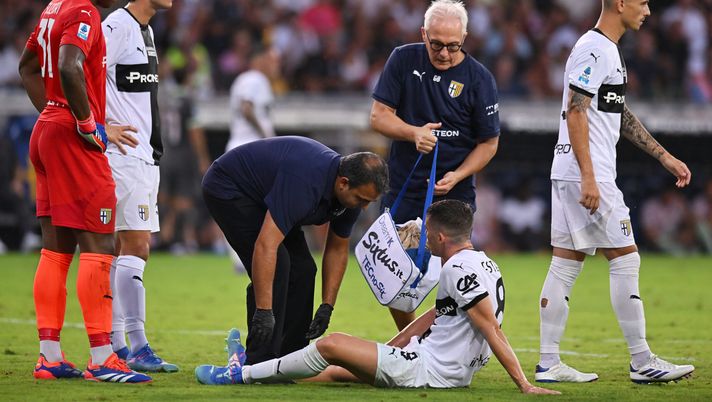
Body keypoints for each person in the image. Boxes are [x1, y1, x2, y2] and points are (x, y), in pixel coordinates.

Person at [193, 200, 559, 396]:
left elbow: (492, 330)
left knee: (332, 344)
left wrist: (524, 385)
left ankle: (237, 376)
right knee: (337, 371)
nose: (424, 238)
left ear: (442, 237)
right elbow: (435, 314)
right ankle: (257, 369)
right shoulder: (483, 263)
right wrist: (393, 347)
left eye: (428, 232)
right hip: (434, 364)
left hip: (431, 371)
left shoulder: (456, 269)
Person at [537, 0, 695, 384]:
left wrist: (664, 156)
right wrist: (590, 177)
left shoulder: (608, 50)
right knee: (626, 259)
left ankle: (548, 363)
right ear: (620, 3)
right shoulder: (594, 48)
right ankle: (642, 361)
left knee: (566, 263)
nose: (648, 10)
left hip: (575, 171)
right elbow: (576, 111)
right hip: (588, 174)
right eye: (642, 2)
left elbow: (615, 111)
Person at [19, 0, 150, 383]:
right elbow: (68, 65)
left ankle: (49, 356)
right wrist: (86, 123)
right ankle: (101, 357)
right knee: (99, 245)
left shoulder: (53, 8)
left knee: (55, 249)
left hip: (46, 130)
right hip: (72, 136)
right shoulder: (84, 11)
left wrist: (53, 112)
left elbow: (27, 67)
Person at [369, 0, 500, 330]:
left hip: (453, 196)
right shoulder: (403, 59)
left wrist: (459, 174)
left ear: (465, 37)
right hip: (404, 188)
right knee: (395, 275)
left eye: (453, 45)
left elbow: (489, 143)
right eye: (436, 44)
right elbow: (378, 116)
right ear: (423, 34)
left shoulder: (480, 79)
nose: (444, 53)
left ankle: (454, 340)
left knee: (456, 272)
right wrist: (413, 132)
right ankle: (411, 341)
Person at [201, 136, 388, 365]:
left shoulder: (352, 195)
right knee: (279, 265)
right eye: (362, 199)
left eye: (369, 201)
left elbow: (338, 249)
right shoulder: (305, 181)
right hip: (230, 188)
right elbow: (265, 246)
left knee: (304, 270)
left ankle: (292, 359)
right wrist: (263, 312)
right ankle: (258, 361)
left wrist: (327, 306)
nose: (364, 206)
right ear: (343, 183)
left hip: (268, 194)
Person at [102, 0, 178, 373]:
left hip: (145, 157)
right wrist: (103, 128)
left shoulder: (146, 30)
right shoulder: (116, 26)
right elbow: (81, 72)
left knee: (124, 249)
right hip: (124, 158)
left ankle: (117, 343)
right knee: (137, 247)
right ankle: (138, 344)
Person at [225, 46, 281, 273]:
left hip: (242, 150)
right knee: (259, 207)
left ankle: (244, 260)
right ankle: (246, 259)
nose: (276, 65)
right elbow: (247, 108)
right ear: (259, 59)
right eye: (272, 59)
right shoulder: (255, 78)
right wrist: (266, 137)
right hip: (248, 150)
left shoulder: (246, 79)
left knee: (243, 208)